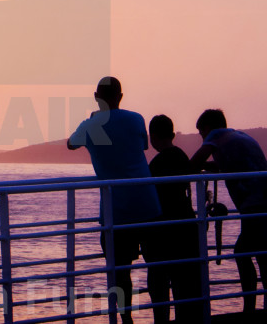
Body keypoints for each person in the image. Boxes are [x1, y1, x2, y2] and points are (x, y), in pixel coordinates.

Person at [68, 77, 161, 324]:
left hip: (115, 210)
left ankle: (126, 319)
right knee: (157, 267)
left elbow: (70, 144)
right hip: (148, 203)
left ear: (96, 96)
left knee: (120, 272)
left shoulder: (89, 126)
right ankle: (161, 316)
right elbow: (142, 145)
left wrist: (92, 120)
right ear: (120, 96)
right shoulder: (136, 119)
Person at [188, 109, 267, 317]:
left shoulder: (216, 136)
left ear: (208, 128)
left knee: (243, 252)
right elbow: (227, 164)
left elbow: (193, 164)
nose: (202, 138)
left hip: (255, 201)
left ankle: (253, 307)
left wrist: (187, 168)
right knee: (262, 251)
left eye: (201, 133)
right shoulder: (238, 136)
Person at [147, 114, 204, 324]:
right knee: (186, 284)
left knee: (158, 281)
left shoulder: (156, 164)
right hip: (184, 224)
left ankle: (161, 320)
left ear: (152, 136)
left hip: (163, 227)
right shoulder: (181, 156)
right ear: (172, 134)